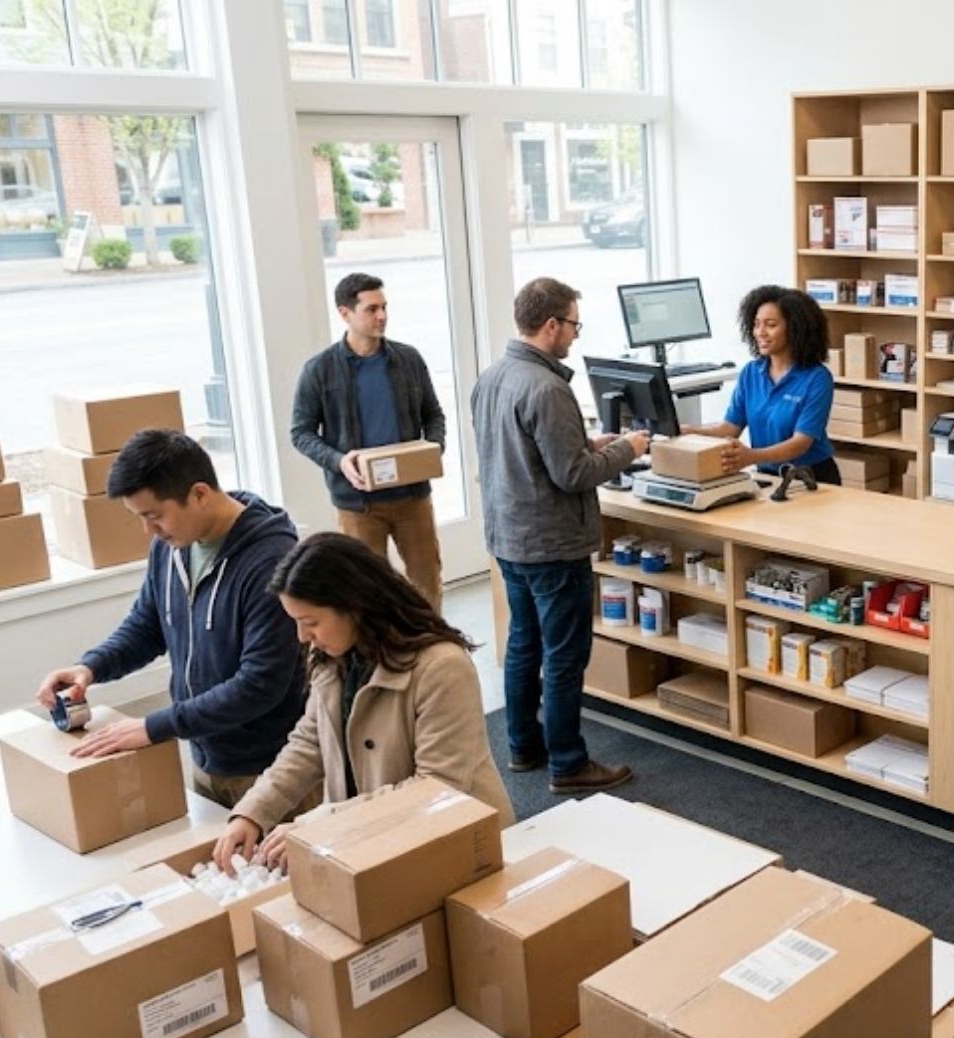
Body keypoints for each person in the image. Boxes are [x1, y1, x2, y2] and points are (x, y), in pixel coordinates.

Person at [36, 430, 306, 809]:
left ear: (199, 494)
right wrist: (90, 667)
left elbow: (260, 684)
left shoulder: (272, 563)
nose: (149, 531)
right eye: (141, 519)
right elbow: (147, 626)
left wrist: (154, 726)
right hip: (206, 753)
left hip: (270, 768)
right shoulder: (173, 546)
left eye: (154, 516)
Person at [212, 532, 513, 871]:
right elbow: (309, 742)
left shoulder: (442, 668)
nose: (302, 637)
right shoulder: (334, 656)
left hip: (455, 844)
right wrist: (253, 812)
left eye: (310, 623)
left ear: (355, 607)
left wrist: (319, 825)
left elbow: (436, 788)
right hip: (362, 842)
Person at [471, 276, 646, 795]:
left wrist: (588, 441)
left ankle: (524, 747)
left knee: (523, 642)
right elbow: (572, 475)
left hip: (508, 536)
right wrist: (628, 449)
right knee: (565, 655)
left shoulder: (495, 376)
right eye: (573, 324)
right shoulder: (548, 387)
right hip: (552, 543)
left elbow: (522, 450)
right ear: (551, 325)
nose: (574, 335)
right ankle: (568, 762)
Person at [290, 272, 448, 608]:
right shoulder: (319, 370)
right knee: (366, 592)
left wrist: (432, 450)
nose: (382, 316)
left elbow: (433, 415)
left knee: (427, 583)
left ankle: (433, 653)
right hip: (357, 503)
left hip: (413, 498)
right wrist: (338, 461)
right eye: (372, 309)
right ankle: (379, 657)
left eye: (385, 307)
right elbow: (300, 433)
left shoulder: (408, 360)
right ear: (345, 313)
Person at [680, 285, 839, 482]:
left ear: (796, 329)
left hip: (812, 477)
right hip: (768, 475)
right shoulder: (751, 372)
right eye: (756, 324)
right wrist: (689, 431)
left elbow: (801, 443)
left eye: (770, 325)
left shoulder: (817, 378)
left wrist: (751, 456)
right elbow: (729, 429)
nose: (760, 332)